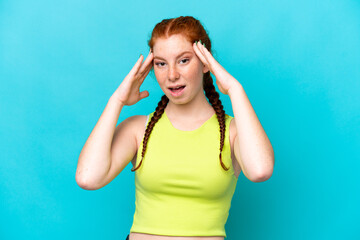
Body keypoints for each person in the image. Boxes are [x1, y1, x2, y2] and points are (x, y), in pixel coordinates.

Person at [76, 16, 274, 240]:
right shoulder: (138, 129)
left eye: (183, 60)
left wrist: (235, 89)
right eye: (161, 63)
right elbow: (88, 178)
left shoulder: (233, 132)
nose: (172, 75)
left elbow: (260, 170)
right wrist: (117, 100)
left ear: (205, 62)